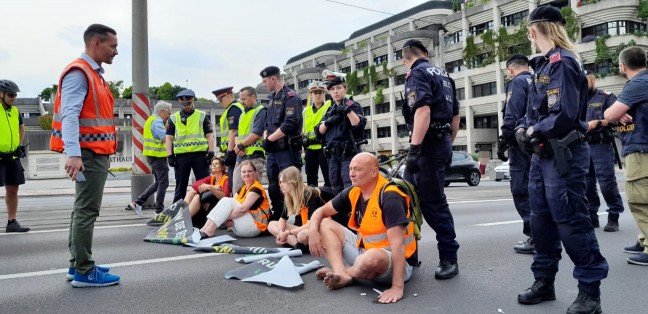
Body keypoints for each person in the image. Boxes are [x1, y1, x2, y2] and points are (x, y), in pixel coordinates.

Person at [514, 7, 608, 313]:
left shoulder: (563, 62)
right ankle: (544, 281)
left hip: (563, 153)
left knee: (571, 222)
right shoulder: (541, 65)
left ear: (533, 31)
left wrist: (533, 129)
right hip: (542, 156)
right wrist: (521, 128)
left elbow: (565, 114)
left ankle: (589, 293)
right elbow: (533, 110)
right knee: (540, 222)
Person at [49, 24, 120, 287]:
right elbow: (70, 114)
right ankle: (84, 270)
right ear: (96, 43)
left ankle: (77, 263)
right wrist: (74, 154)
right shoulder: (81, 72)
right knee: (87, 211)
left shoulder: (92, 73)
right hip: (88, 155)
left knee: (82, 210)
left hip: (92, 153)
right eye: (112, 46)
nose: (116, 51)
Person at [308, 153, 417, 304]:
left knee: (372, 257)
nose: (351, 173)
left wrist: (397, 287)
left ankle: (344, 272)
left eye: (357, 169)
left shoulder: (390, 197)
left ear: (373, 172)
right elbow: (320, 212)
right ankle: (343, 274)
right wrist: (313, 231)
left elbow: (398, 245)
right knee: (324, 223)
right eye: (351, 169)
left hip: (394, 262)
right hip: (364, 252)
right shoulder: (354, 191)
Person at [401, 39, 460, 280]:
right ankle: (408, 254)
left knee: (433, 204)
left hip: (427, 145)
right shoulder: (445, 76)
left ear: (405, 59)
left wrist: (415, 149)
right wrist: (447, 144)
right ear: (426, 53)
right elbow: (456, 117)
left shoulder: (416, 73)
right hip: (440, 140)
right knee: (406, 197)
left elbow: (422, 111)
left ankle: (449, 258)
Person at [604, 46, 648, 266]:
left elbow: (609, 113)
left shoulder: (638, 83)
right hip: (642, 147)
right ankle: (644, 239)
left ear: (623, 66)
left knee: (640, 200)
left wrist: (615, 114)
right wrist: (619, 114)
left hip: (640, 150)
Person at [500, 54, 534, 254]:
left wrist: (504, 139)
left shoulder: (517, 82)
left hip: (520, 143)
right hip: (536, 140)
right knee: (538, 189)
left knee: (521, 190)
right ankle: (545, 235)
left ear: (511, 70)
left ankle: (535, 236)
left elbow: (512, 113)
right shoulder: (537, 79)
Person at [260, 66, 303, 221]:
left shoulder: (291, 97)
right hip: (272, 150)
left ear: (274, 79)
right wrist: (266, 137)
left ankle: (299, 216)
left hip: (287, 148)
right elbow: (268, 124)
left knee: (291, 182)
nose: (264, 84)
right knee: (273, 183)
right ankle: (278, 213)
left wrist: (270, 139)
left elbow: (289, 124)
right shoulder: (272, 99)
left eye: (265, 81)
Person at [584, 71, 624, 232]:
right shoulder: (576, 99)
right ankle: (591, 216)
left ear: (593, 80)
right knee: (586, 184)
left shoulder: (605, 96)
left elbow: (617, 118)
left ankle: (614, 215)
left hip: (601, 144)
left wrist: (599, 122)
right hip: (582, 146)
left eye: (586, 80)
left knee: (606, 183)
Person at [316, 75, 366, 194]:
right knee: (335, 186)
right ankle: (340, 212)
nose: (336, 91)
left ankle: (351, 211)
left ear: (345, 89)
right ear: (329, 91)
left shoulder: (352, 105)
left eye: (338, 88)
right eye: (332, 89)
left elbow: (358, 124)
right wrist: (328, 122)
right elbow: (319, 131)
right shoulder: (330, 110)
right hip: (332, 155)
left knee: (349, 186)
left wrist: (347, 111)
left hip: (348, 154)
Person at [199, 160, 270, 238]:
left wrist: (223, 217)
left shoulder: (257, 188)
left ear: (255, 172)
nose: (246, 174)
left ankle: (210, 231)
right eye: (244, 172)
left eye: (249, 171)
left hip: (256, 227)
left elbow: (243, 209)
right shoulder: (243, 188)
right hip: (242, 225)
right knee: (225, 200)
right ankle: (204, 229)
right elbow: (229, 206)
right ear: (240, 174)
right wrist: (223, 216)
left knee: (229, 201)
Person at [166, 89, 214, 203]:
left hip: (200, 156)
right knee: (180, 187)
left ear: (193, 101)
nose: (186, 106)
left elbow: (210, 136)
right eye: (183, 104)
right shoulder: (173, 118)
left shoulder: (202, 116)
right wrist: (170, 155)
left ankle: (205, 212)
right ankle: (177, 214)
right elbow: (169, 138)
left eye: (188, 103)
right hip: (181, 157)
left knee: (203, 185)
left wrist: (211, 153)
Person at [126, 101, 172, 216]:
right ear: (162, 111)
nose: (169, 115)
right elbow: (165, 139)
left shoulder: (150, 120)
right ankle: (159, 211)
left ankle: (138, 202)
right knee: (164, 183)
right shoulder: (157, 121)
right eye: (168, 113)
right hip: (158, 156)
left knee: (159, 183)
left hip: (152, 155)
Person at [267, 166, 324, 249]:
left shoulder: (310, 194)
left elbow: (310, 225)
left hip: (316, 229)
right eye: (280, 182)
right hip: (302, 228)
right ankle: (296, 244)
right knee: (271, 225)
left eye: (284, 182)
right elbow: (282, 220)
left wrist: (287, 233)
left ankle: (296, 242)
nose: (281, 185)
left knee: (302, 235)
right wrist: (280, 232)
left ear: (293, 182)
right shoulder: (289, 196)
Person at [0, 79, 29, 233]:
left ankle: (12, 222)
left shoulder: (15, 111)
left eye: (15, 95)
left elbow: (21, 128)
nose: (13, 98)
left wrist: (18, 146)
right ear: (1, 94)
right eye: (11, 94)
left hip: (12, 157)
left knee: (13, 189)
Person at [232, 86, 266, 193]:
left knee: (252, 192)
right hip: (241, 157)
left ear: (253, 97)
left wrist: (240, 146)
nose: (242, 102)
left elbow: (256, 133)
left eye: (244, 99)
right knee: (237, 191)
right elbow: (237, 135)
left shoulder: (260, 111)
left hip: (254, 157)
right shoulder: (242, 114)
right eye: (240, 99)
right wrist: (238, 147)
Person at [212, 86, 244, 192]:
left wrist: (229, 152)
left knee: (235, 184)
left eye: (222, 99)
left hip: (235, 151)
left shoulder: (234, 108)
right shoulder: (230, 109)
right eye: (219, 100)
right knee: (232, 183)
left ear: (229, 95)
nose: (220, 102)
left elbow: (233, 131)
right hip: (232, 150)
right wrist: (222, 152)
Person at [184, 157, 230, 228]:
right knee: (191, 192)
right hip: (209, 205)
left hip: (220, 207)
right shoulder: (211, 178)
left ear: (223, 167)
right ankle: (182, 215)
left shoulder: (226, 179)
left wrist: (210, 188)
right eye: (212, 164)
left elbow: (225, 196)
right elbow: (195, 185)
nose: (214, 165)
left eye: (217, 164)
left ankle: (184, 219)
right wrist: (212, 186)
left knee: (197, 197)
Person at [303, 81, 331, 187]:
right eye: (315, 93)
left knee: (328, 177)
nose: (318, 95)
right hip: (309, 149)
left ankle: (328, 200)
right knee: (311, 179)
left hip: (323, 148)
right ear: (311, 95)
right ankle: (313, 202)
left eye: (320, 92)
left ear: (324, 94)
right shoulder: (305, 111)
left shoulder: (328, 107)